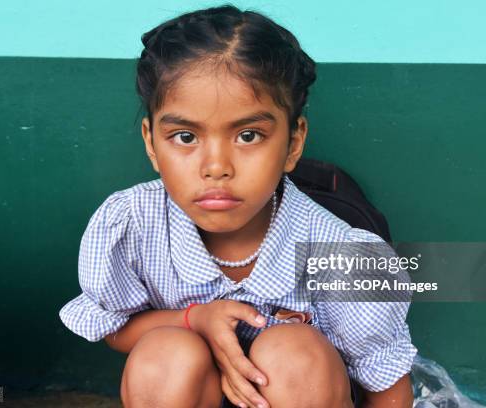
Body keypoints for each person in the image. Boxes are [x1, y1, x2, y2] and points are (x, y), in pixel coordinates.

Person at [59, 5, 417, 408]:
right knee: (163, 355)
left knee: (294, 355)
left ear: (293, 143)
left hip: (308, 394)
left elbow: (389, 390)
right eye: (184, 136)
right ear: (151, 143)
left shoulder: (340, 254)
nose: (216, 167)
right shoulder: (133, 224)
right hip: (193, 392)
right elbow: (118, 330)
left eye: (248, 135)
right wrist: (195, 319)